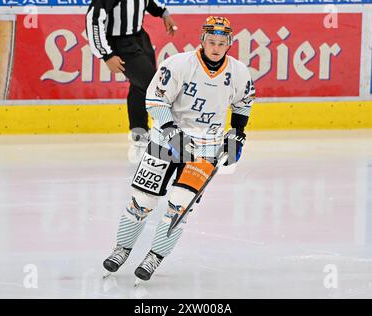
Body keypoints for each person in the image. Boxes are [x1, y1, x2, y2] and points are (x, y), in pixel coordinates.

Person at [102, 16, 256, 281]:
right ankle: (122, 249)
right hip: (165, 141)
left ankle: (153, 257)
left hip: (207, 146)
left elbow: (243, 102)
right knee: (143, 201)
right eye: (211, 41)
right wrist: (169, 129)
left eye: (222, 42)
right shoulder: (178, 64)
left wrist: (237, 134)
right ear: (202, 40)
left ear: (229, 43)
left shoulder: (239, 72)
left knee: (180, 207)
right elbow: (155, 99)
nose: (216, 47)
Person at [85, 0, 178, 148]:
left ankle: (139, 130)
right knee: (153, 86)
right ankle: (170, 133)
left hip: (140, 38)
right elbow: (94, 18)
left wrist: (163, 13)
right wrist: (106, 54)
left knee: (139, 86)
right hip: (120, 42)